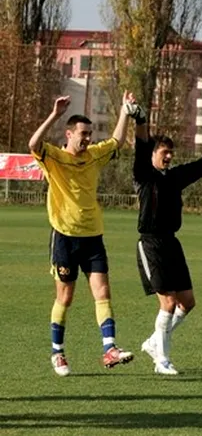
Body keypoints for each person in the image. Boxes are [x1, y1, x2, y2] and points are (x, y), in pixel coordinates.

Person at [129, 94, 202, 375]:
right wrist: (140, 118)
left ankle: (155, 342)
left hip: (171, 243)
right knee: (167, 303)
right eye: (163, 151)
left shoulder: (174, 177)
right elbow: (141, 142)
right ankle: (161, 360)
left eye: (170, 152)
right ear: (153, 155)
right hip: (151, 243)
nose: (168, 156)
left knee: (187, 302)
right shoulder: (143, 174)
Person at [29, 93, 133, 376]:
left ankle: (109, 349)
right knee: (65, 297)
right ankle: (57, 353)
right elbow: (33, 144)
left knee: (103, 293)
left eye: (89, 134)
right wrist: (53, 114)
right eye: (82, 134)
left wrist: (124, 111)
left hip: (93, 237)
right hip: (64, 236)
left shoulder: (94, 155)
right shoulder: (55, 158)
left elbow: (117, 141)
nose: (87, 138)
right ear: (69, 133)